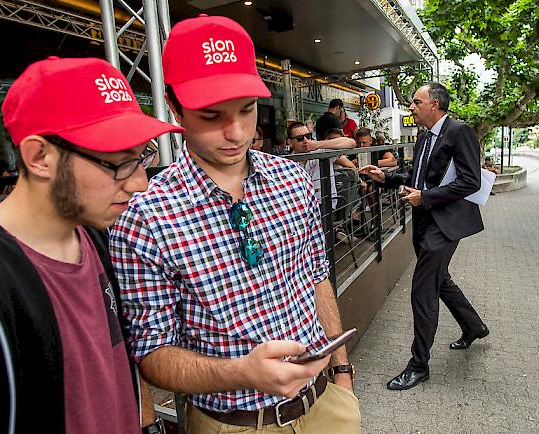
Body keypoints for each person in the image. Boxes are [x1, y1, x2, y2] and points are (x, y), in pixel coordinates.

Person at [110, 15, 360, 434]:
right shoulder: (145, 216)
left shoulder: (292, 178)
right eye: (211, 116)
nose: (236, 132)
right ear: (174, 107)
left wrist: (343, 372)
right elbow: (152, 353)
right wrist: (243, 372)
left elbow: (316, 277)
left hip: (326, 405)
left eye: (247, 110)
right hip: (234, 423)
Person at [0, 57, 183, 433]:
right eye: (117, 163)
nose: (139, 183)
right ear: (39, 157)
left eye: (141, 157)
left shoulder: (96, 234)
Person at [361, 82, 489, 391]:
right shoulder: (424, 136)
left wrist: (426, 197)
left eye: (417, 102)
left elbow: (471, 182)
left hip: (445, 225)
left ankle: (419, 366)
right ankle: (474, 326)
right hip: (425, 222)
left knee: (423, 290)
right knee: (439, 280)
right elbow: (416, 179)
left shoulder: (459, 132)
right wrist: (386, 179)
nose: (412, 107)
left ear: (434, 104)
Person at [287, 122, 355, 209]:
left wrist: (316, 145)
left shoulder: (320, 151)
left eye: (308, 136)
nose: (306, 141)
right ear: (290, 142)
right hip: (300, 207)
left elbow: (351, 143)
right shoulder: (287, 162)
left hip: (324, 205)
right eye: (300, 138)